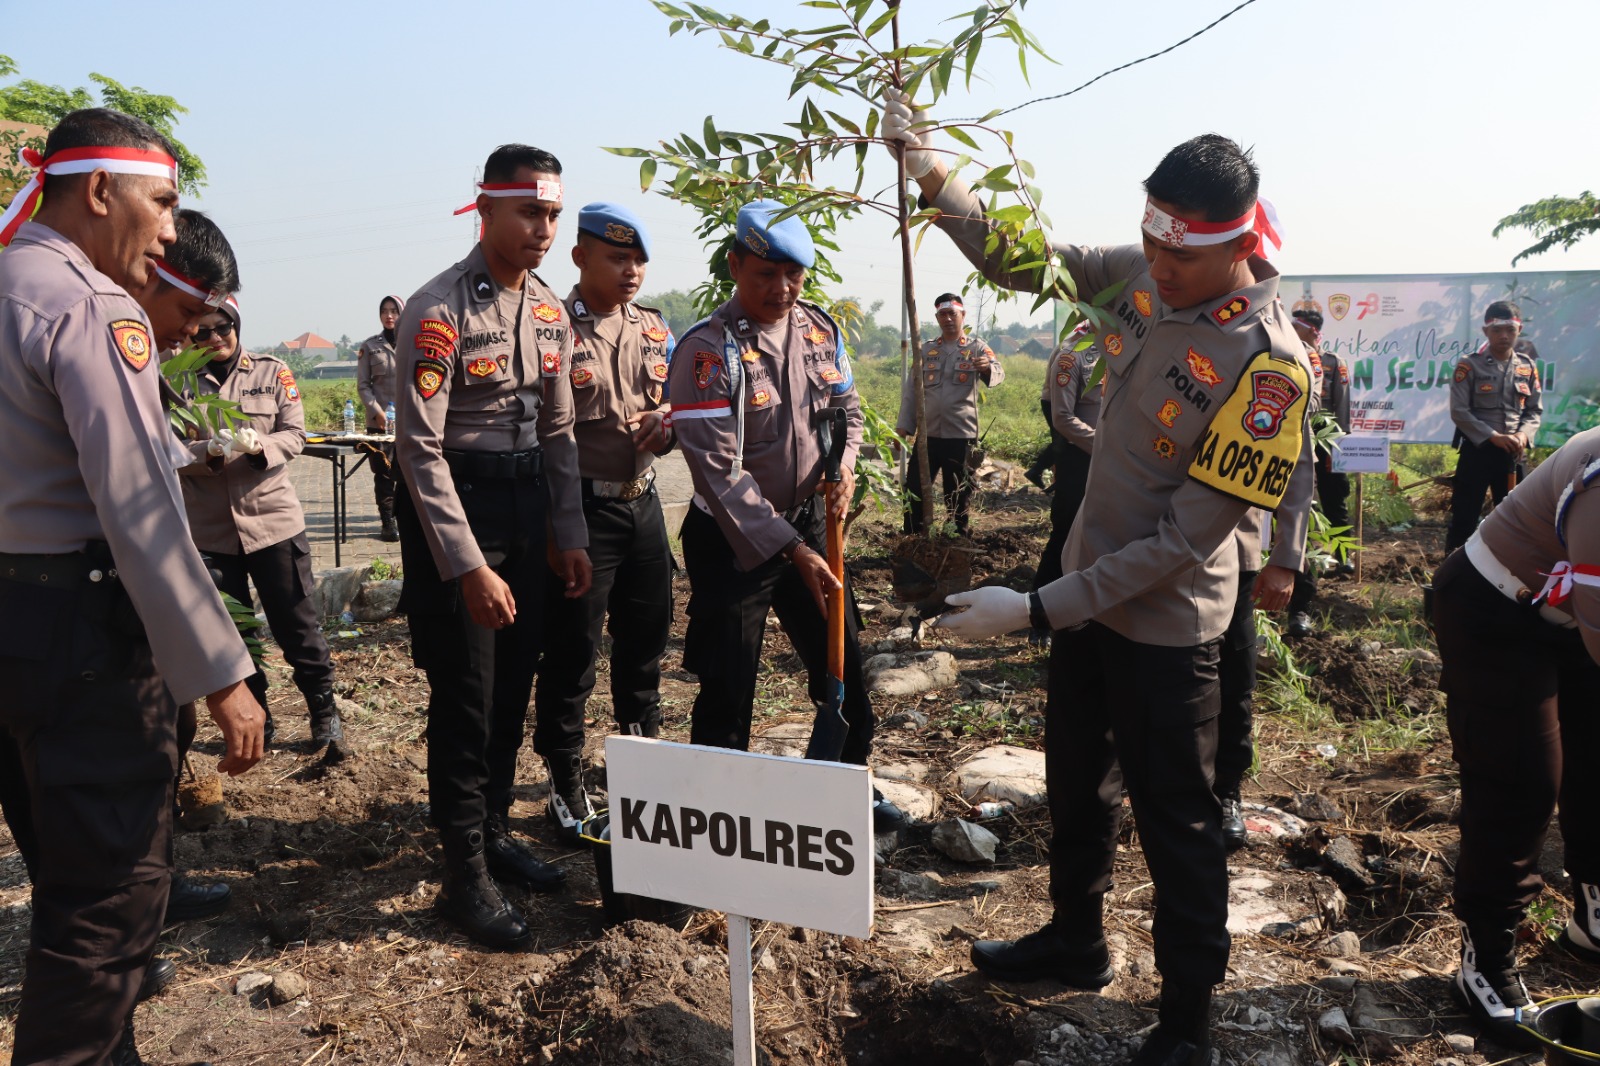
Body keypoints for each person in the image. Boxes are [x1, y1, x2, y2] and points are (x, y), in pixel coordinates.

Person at [905, 117, 1309, 1066]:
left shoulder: (1270, 371)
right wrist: (931, 169)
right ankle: (1075, 938)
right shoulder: (1143, 264)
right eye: (1153, 235)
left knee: (1179, 821)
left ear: (1243, 244)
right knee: (1075, 780)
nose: (1159, 265)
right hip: (1083, 599)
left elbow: (1184, 542)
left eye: (1183, 249)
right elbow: (1020, 259)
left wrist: (1038, 608)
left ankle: (1184, 1025)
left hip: (1167, 630)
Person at [0, 107, 264, 1066]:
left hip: (17, 631)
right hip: (84, 633)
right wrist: (223, 674)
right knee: (103, 909)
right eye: (160, 203)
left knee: (60, 865)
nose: (165, 231)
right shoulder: (89, 306)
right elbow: (140, 511)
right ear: (100, 191)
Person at [394, 143, 590, 950]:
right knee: (466, 697)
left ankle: (498, 828)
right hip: (459, 510)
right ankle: (462, 871)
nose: (544, 228)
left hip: (527, 507)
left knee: (517, 678)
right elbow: (418, 449)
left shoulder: (547, 309)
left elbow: (559, 429)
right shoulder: (439, 308)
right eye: (529, 212)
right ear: (485, 210)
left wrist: (568, 532)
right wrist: (467, 563)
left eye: (553, 213)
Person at [668, 199, 904, 833]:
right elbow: (718, 475)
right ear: (734, 265)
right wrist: (792, 550)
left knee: (844, 663)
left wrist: (846, 465)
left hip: (809, 525)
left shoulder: (819, 330)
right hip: (732, 537)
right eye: (765, 275)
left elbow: (848, 413)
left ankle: (844, 789)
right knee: (728, 685)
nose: (781, 290)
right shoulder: (705, 352)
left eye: (794, 275)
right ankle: (716, 816)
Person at [1432, 426, 1600, 1048]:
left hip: (1573, 607)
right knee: (1523, 780)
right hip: (1495, 607)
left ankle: (1593, 915)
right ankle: (1486, 957)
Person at [532, 202, 676, 842]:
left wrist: (666, 418)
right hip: (582, 512)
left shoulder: (653, 329)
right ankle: (565, 783)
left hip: (643, 505)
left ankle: (643, 774)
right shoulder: (550, 328)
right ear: (581, 256)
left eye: (639, 259)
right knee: (573, 654)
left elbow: (678, 398)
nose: (632, 271)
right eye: (618, 257)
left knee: (646, 646)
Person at [175, 294, 348, 759]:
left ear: (236, 326)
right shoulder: (177, 381)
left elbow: (295, 433)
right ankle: (260, 719)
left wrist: (258, 448)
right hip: (211, 532)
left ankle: (324, 712)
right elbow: (164, 449)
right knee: (234, 631)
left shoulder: (272, 372)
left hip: (272, 524)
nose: (214, 340)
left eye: (223, 329)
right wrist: (206, 452)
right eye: (204, 331)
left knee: (297, 624)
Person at [896, 293, 1003, 535]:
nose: (947, 319)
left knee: (957, 493)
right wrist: (903, 426)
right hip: (929, 435)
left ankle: (955, 538)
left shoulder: (977, 347)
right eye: (942, 315)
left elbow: (998, 373)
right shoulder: (927, 350)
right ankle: (914, 536)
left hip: (961, 435)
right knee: (914, 487)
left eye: (952, 314)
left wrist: (986, 367)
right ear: (937, 318)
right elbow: (911, 391)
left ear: (963, 316)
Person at [1444, 300, 1542, 554]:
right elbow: (1459, 411)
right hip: (1478, 452)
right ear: (1486, 331)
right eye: (1497, 329)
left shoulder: (1527, 366)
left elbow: (1534, 410)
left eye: (1510, 329)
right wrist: (1493, 436)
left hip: (1513, 455)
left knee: (1515, 519)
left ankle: (1508, 578)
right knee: (1464, 518)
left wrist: (1523, 435)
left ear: (1519, 330)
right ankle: (1452, 577)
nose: (1504, 335)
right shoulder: (1469, 364)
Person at [1285, 305, 1353, 637]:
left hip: (1320, 440)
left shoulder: (1325, 361)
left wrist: (1336, 448)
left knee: (1329, 505)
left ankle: (1342, 557)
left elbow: (1339, 407)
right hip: (1279, 443)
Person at [357, 295, 404, 541]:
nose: (389, 315)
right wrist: (377, 411)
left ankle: (407, 518)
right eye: (385, 311)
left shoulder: (412, 343)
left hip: (408, 422)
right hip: (379, 424)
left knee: (408, 473)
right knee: (384, 474)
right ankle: (388, 521)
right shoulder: (370, 346)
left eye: (394, 311)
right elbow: (364, 386)